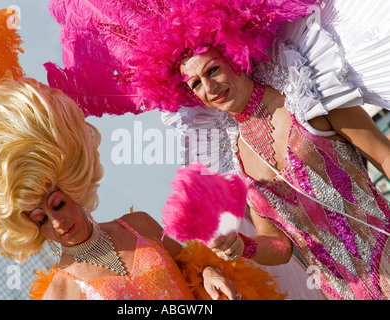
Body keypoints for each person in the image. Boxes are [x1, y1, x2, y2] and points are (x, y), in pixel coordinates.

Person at [44, 0, 390, 299]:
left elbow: (384, 156)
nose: (209, 88)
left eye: (213, 70)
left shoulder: (308, 95)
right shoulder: (233, 157)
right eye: (195, 83)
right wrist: (244, 245)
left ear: (235, 58)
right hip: (342, 292)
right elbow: (282, 246)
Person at [0, 9, 288, 301]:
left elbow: (192, 266)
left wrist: (211, 273)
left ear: (72, 182)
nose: (57, 222)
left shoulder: (137, 225)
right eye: (40, 218)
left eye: (57, 203)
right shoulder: (60, 292)